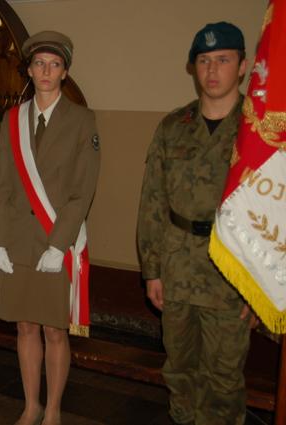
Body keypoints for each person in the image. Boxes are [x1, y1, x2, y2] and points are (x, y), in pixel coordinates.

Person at [137, 22, 258, 425]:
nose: (212, 70)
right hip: (178, 268)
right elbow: (153, 200)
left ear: (242, 65)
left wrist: (261, 288)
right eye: (204, 61)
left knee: (223, 381)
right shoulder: (174, 126)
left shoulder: (259, 131)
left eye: (223, 59)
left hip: (233, 274)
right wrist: (152, 269)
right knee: (179, 372)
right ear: (193, 67)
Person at [0, 31, 100, 425]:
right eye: (39, 64)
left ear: (65, 72)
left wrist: (58, 244)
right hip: (18, 240)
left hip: (57, 240)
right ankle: (30, 405)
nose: (46, 71)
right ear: (29, 70)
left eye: (54, 64)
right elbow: (0, 185)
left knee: (54, 330)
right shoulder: (12, 119)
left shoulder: (82, 120)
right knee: (24, 326)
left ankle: (52, 409)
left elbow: (83, 191)